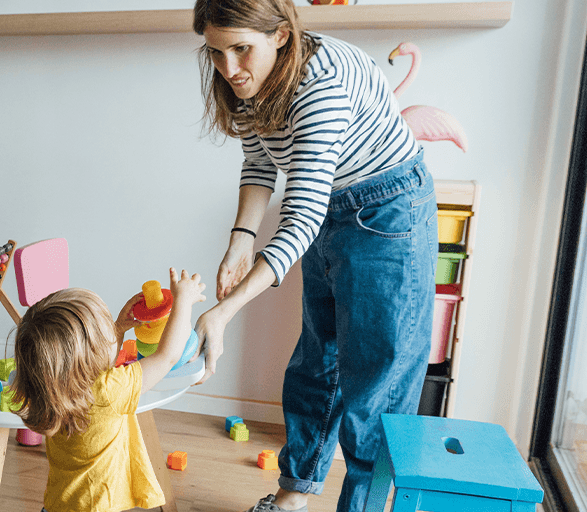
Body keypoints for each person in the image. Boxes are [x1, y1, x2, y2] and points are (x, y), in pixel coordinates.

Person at [189, 1, 438, 511]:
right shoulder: (248, 80)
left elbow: (300, 218)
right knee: (316, 363)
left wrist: (223, 312)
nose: (229, 68)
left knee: (377, 387)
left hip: (387, 212)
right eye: (216, 52)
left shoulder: (319, 85)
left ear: (280, 35)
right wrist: (241, 237)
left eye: (241, 49)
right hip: (332, 207)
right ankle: (292, 497)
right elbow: (260, 159)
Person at [10, 268, 206, 512]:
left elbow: (91, 364)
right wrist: (183, 303)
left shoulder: (52, 389)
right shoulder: (108, 390)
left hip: (57, 505)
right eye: (106, 333)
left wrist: (119, 327)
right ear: (89, 358)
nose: (111, 334)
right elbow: (167, 356)